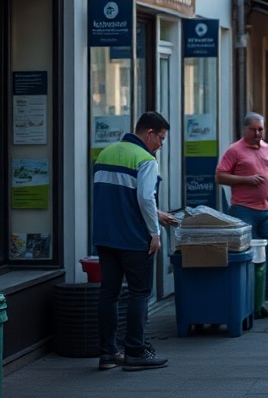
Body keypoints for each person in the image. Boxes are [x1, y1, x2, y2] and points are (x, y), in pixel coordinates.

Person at [93, 111, 176, 371]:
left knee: (109, 294)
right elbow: (144, 198)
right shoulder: (145, 159)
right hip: (133, 238)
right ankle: (136, 352)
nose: (161, 145)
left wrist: (157, 215)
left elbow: (119, 196)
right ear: (149, 133)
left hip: (105, 237)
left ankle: (108, 354)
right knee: (140, 294)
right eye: (160, 139)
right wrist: (155, 232)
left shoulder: (105, 153)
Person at [216, 112, 268, 306]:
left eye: (261, 129)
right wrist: (246, 180)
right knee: (249, 252)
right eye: (254, 129)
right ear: (245, 129)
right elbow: (220, 176)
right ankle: (252, 294)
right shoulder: (234, 150)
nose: (258, 133)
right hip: (243, 209)